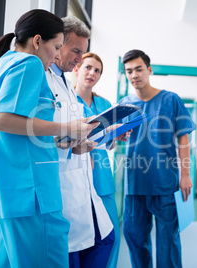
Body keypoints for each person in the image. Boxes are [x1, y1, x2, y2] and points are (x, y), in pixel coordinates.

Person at [0, 9, 98, 267]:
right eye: (56, 47)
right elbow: (2, 120)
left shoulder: (4, 63)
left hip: (6, 189)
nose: (56, 55)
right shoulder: (29, 63)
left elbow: (14, 131)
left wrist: (67, 141)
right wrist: (66, 128)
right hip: (32, 192)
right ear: (38, 41)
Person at [46, 17, 115, 268]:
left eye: (82, 53)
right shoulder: (44, 79)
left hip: (85, 176)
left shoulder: (63, 82)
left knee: (105, 240)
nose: (79, 60)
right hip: (62, 184)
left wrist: (81, 143)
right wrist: (71, 137)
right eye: (76, 52)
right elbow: (24, 128)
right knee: (76, 251)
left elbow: (73, 134)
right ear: (57, 42)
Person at [119, 49, 196, 268]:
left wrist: (186, 175)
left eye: (139, 69)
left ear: (149, 70)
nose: (134, 75)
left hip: (165, 183)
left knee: (167, 241)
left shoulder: (171, 100)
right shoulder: (125, 103)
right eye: (129, 71)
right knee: (134, 237)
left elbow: (183, 138)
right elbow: (116, 137)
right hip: (135, 184)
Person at [74, 52, 128, 268]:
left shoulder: (104, 103)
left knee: (110, 236)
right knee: (80, 240)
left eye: (97, 70)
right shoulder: (66, 99)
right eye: (88, 67)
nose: (92, 73)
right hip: (76, 175)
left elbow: (108, 143)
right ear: (77, 68)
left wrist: (116, 135)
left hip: (102, 176)